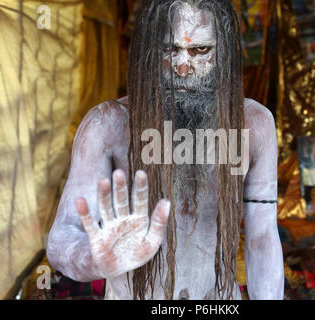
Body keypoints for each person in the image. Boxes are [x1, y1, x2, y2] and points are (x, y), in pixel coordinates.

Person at [47, 0, 283, 300]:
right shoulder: (106, 125)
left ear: (222, 51)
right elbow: (61, 238)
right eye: (168, 50)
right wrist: (95, 258)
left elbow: (262, 238)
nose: (183, 66)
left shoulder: (254, 124)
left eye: (200, 50)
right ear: (148, 51)